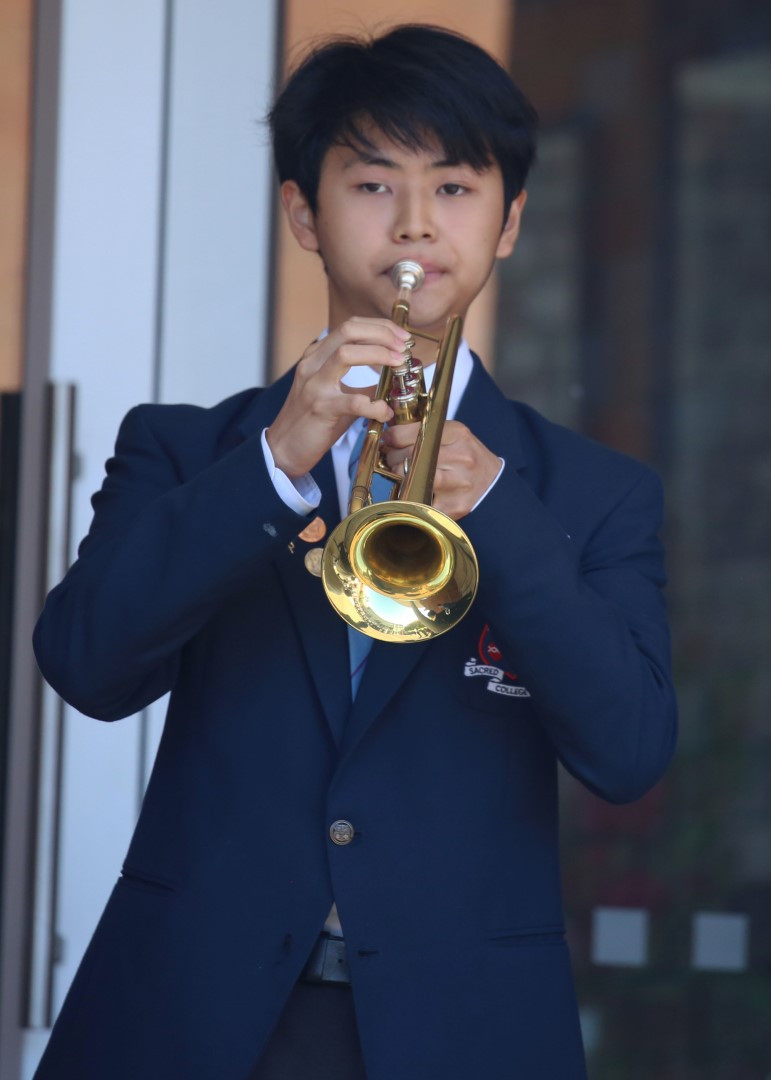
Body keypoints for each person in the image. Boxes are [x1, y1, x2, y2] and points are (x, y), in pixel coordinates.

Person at [32, 24, 677, 1080]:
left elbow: (630, 750)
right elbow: (87, 666)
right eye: (374, 184)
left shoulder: (591, 495)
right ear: (304, 214)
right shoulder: (187, 451)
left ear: (510, 222)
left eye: (455, 187)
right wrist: (275, 464)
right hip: (193, 1013)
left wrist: (498, 512)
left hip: (463, 1028)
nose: (416, 223)